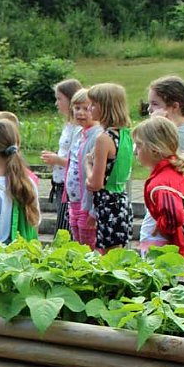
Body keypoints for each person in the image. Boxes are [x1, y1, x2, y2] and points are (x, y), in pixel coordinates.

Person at [133, 117, 184, 264]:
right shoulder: (182, 174)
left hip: (163, 249)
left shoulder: (161, 183)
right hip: (176, 248)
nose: (135, 151)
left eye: (139, 146)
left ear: (154, 150)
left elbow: (174, 217)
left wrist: (161, 226)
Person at [86, 83, 134, 251]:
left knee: (107, 259)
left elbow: (95, 183)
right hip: (121, 202)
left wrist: (87, 165)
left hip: (107, 206)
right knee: (118, 253)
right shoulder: (126, 134)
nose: (89, 108)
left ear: (105, 107)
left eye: (93, 104)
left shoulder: (104, 139)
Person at [41, 79, 83, 234]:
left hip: (69, 186)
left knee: (67, 231)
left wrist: (57, 160)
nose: (56, 103)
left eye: (59, 99)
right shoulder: (69, 125)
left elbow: (78, 162)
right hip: (59, 182)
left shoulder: (79, 128)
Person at [64, 88, 101, 249]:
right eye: (77, 108)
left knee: (88, 243)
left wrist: (93, 208)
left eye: (86, 109)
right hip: (74, 201)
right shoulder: (78, 132)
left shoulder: (97, 136)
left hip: (87, 202)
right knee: (77, 241)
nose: (80, 113)